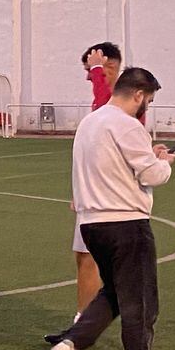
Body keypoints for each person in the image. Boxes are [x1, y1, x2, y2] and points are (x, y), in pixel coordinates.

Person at [46, 66, 175, 350]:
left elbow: (114, 165)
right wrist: (164, 163)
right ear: (138, 95)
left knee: (117, 294)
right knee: (141, 302)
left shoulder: (89, 123)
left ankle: (73, 342)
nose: (146, 107)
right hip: (126, 223)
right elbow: (151, 175)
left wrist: (151, 157)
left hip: (92, 224)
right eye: (148, 100)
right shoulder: (128, 125)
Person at [73, 42, 124, 314]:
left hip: (108, 196)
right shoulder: (105, 100)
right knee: (84, 258)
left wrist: (96, 72)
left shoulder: (120, 100)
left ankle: (85, 325)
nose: (88, 77)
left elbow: (107, 112)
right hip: (93, 192)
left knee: (95, 260)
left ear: (110, 67)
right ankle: (82, 322)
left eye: (91, 70)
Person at [83, 43, 121, 111]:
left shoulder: (129, 99)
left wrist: (96, 68)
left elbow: (105, 109)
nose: (88, 77)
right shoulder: (98, 99)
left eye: (90, 70)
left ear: (111, 66)